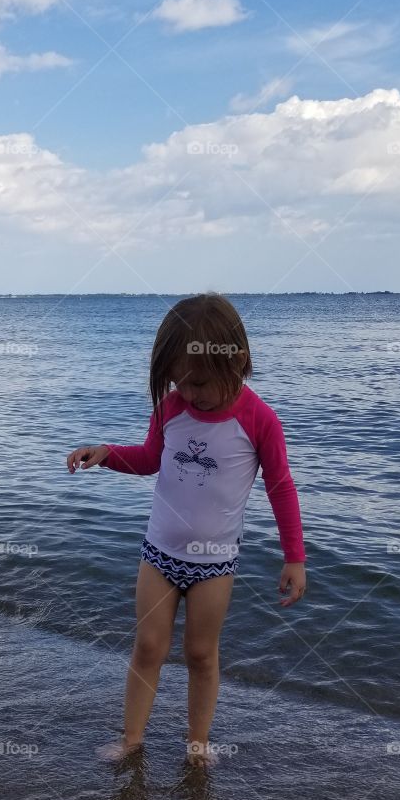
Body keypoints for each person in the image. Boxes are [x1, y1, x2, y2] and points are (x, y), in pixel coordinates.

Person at [66, 292, 307, 767]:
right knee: (148, 647)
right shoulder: (171, 408)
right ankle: (132, 741)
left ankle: (197, 744)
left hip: (215, 563)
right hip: (159, 552)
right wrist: (108, 453)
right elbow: (151, 458)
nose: (188, 393)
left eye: (197, 383)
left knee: (200, 654)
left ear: (236, 362)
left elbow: (281, 487)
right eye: (179, 382)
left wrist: (294, 556)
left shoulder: (259, 420)